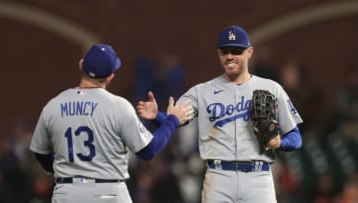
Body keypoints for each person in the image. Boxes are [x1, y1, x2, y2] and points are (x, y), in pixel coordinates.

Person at [137, 25, 303, 203]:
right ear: (218, 54)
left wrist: (280, 143)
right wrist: (157, 117)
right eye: (225, 51)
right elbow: (178, 119)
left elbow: (296, 138)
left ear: (249, 52)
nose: (230, 56)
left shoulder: (271, 88)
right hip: (219, 177)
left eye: (236, 51)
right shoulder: (202, 91)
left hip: (258, 177)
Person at [29, 44, 193, 203]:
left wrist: (64, 169)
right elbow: (149, 150)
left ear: (81, 65)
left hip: (67, 193)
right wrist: (172, 120)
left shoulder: (53, 106)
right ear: (110, 76)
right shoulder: (118, 106)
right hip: (108, 193)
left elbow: (40, 154)